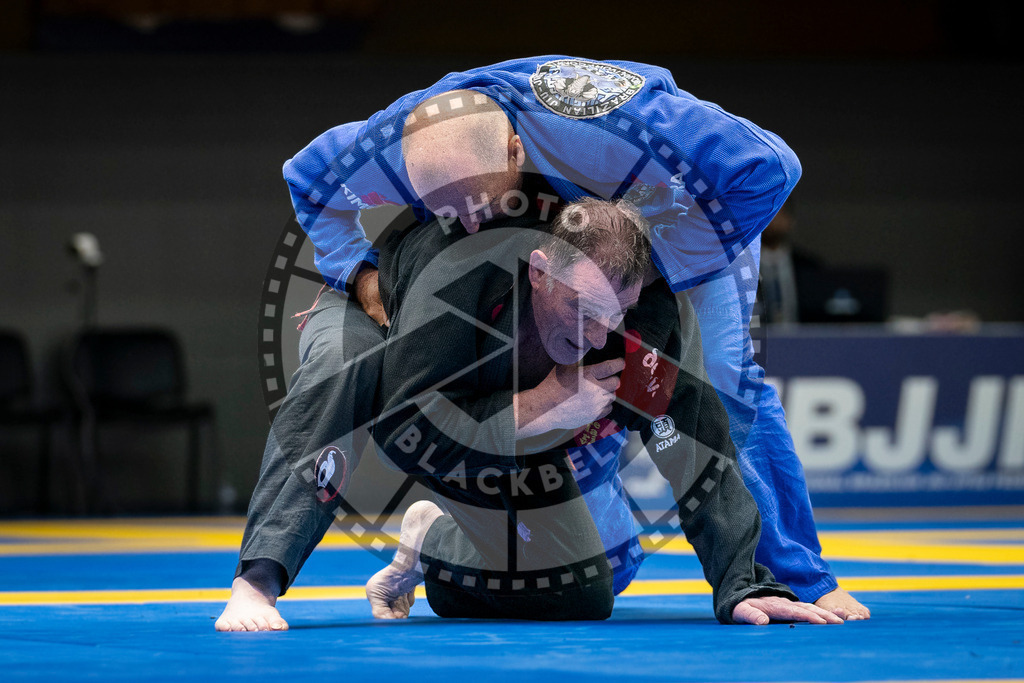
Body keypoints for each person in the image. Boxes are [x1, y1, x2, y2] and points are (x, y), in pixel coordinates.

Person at [215, 56, 867, 632]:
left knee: (698, 399)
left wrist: (740, 582)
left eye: (478, 200)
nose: (467, 218)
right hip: (434, 331)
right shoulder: (423, 200)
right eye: (446, 206)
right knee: (342, 361)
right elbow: (408, 419)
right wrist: (357, 275)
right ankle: (260, 576)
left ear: (518, 153)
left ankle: (784, 574)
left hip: (649, 240)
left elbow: (688, 424)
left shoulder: (630, 153)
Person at [364, 197, 840, 625]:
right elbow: (402, 434)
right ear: (539, 271)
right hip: (473, 423)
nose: (596, 335)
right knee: (590, 583)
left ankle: (435, 544)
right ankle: (458, 533)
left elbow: (696, 448)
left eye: (615, 313)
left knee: (596, 582)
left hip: (561, 439)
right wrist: (539, 406)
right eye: (582, 308)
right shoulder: (465, 287)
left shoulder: (640, 331)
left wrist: (741, 581)